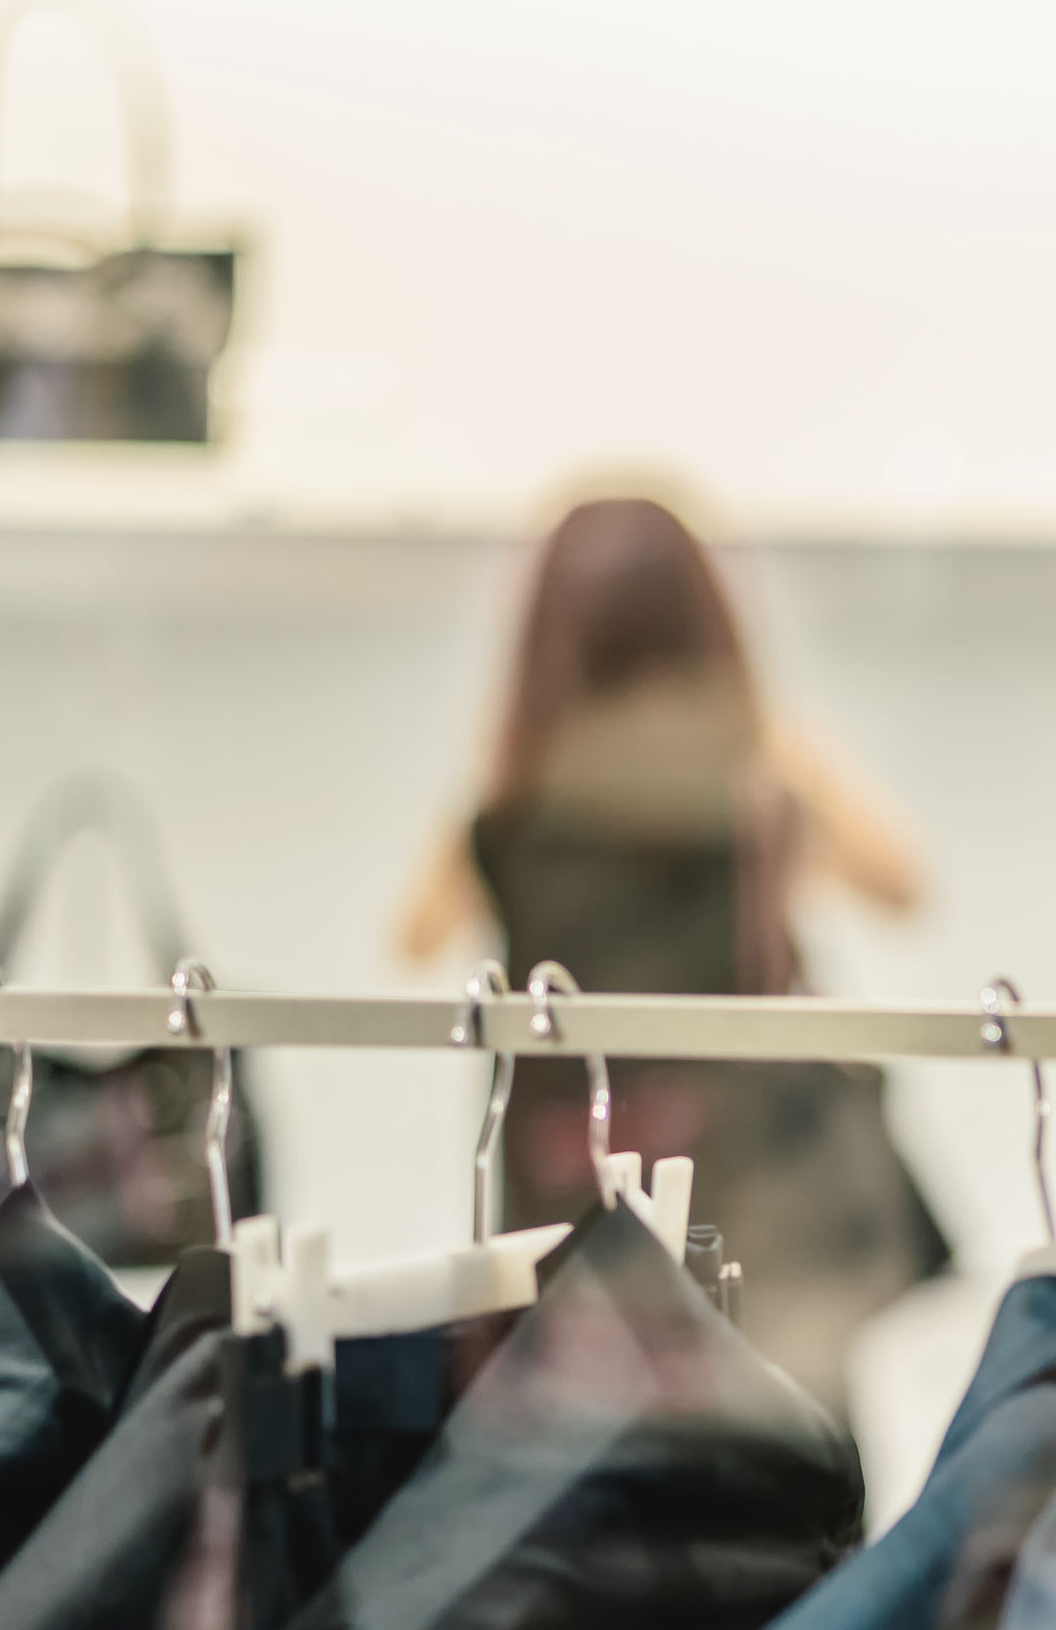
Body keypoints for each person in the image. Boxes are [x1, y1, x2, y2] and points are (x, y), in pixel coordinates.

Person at [399, 494, 949, 1402]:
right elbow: (900, 885)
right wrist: (765, 738)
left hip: (568, 1223)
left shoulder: (512, 801)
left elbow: (414, 939)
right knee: (784, 1493)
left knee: (577, 1492)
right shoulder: (764, 776)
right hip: (760, 1237)